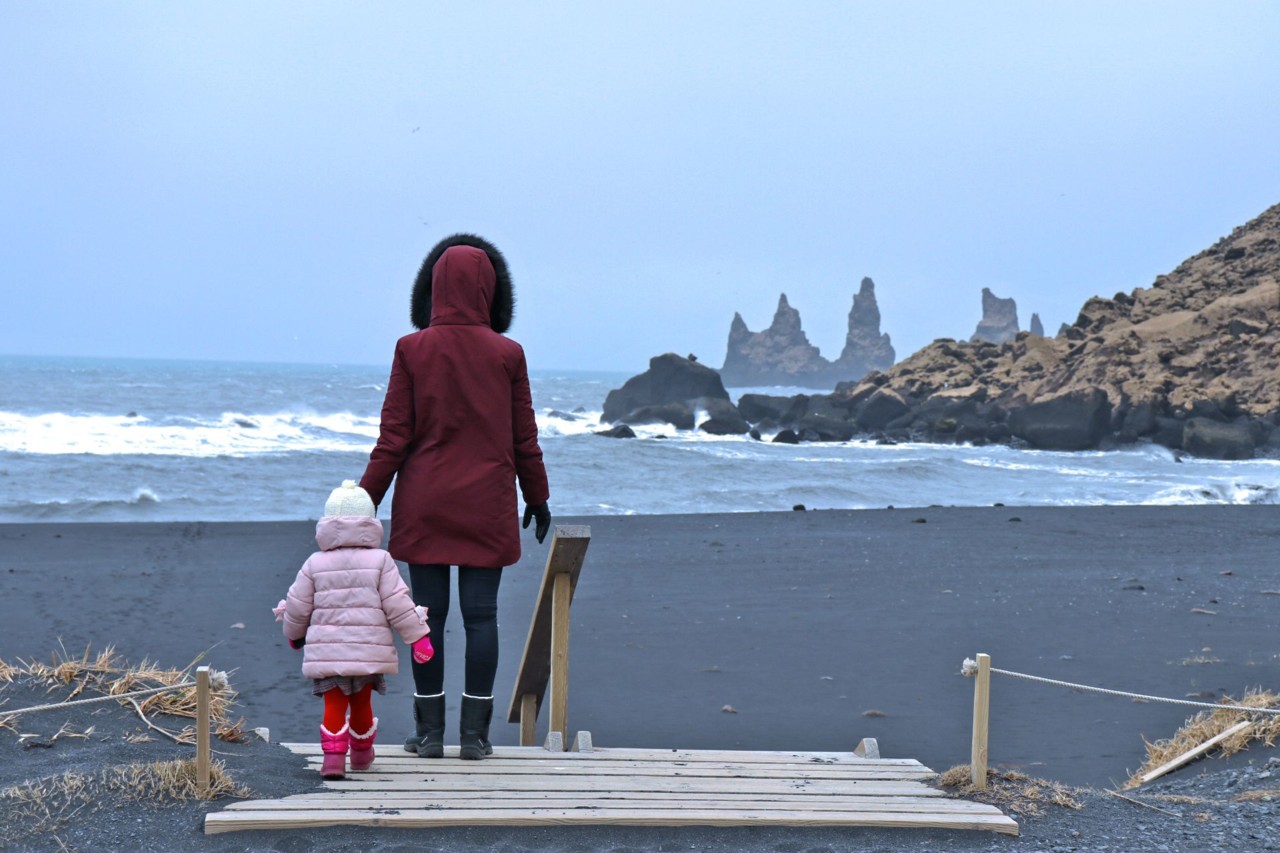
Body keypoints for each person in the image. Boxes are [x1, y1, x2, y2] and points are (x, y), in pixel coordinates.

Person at [360, 233, 551, 762]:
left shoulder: (411, 349)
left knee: (425, 618)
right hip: (487, 504)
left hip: (426, 502)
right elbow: (523, 437)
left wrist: (363, 499)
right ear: (489, 290)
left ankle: (428, 736)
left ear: (435, 289)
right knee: (481, 617)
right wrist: (537, 497)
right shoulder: (508, 354)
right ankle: (475, 737)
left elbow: (393, 437)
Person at [275, 480, 435, 780]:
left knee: (334, 702)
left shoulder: (315, 563)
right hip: (367, 649)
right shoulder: (381, 560)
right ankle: (361, 756)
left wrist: (294, 634)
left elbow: (298, 605)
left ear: (327, 523)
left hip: (328, 651)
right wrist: (418, 637)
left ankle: (333, 761)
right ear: (369, 523)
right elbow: (397, 602)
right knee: (362, 700)